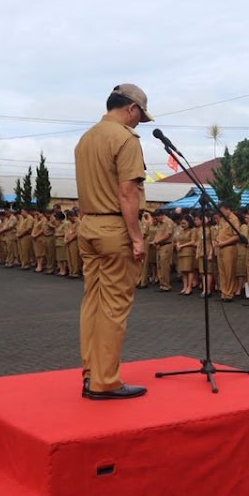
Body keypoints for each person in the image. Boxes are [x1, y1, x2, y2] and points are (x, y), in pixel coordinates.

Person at [72, 83, 151, 400]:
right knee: (114, 306)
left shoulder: (86, 138)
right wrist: (136, 237)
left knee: (92, 302)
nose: (139, 122)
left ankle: (91, 373)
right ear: (131, 108)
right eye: (140, 115)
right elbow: (127, 192)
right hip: (114, 228)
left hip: (88, 225)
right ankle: (105, 381)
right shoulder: (125, 139)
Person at [214, 204, 241, 302]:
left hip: (229, 247)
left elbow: (236, 236)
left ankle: (229, 293)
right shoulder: (222, 219)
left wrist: (224, 243)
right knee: (222, 272)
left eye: (222, 211)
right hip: (220, 247)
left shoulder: (234, 219)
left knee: (229, 271)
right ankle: (224, 292)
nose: (220, 213)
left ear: (227, 209)